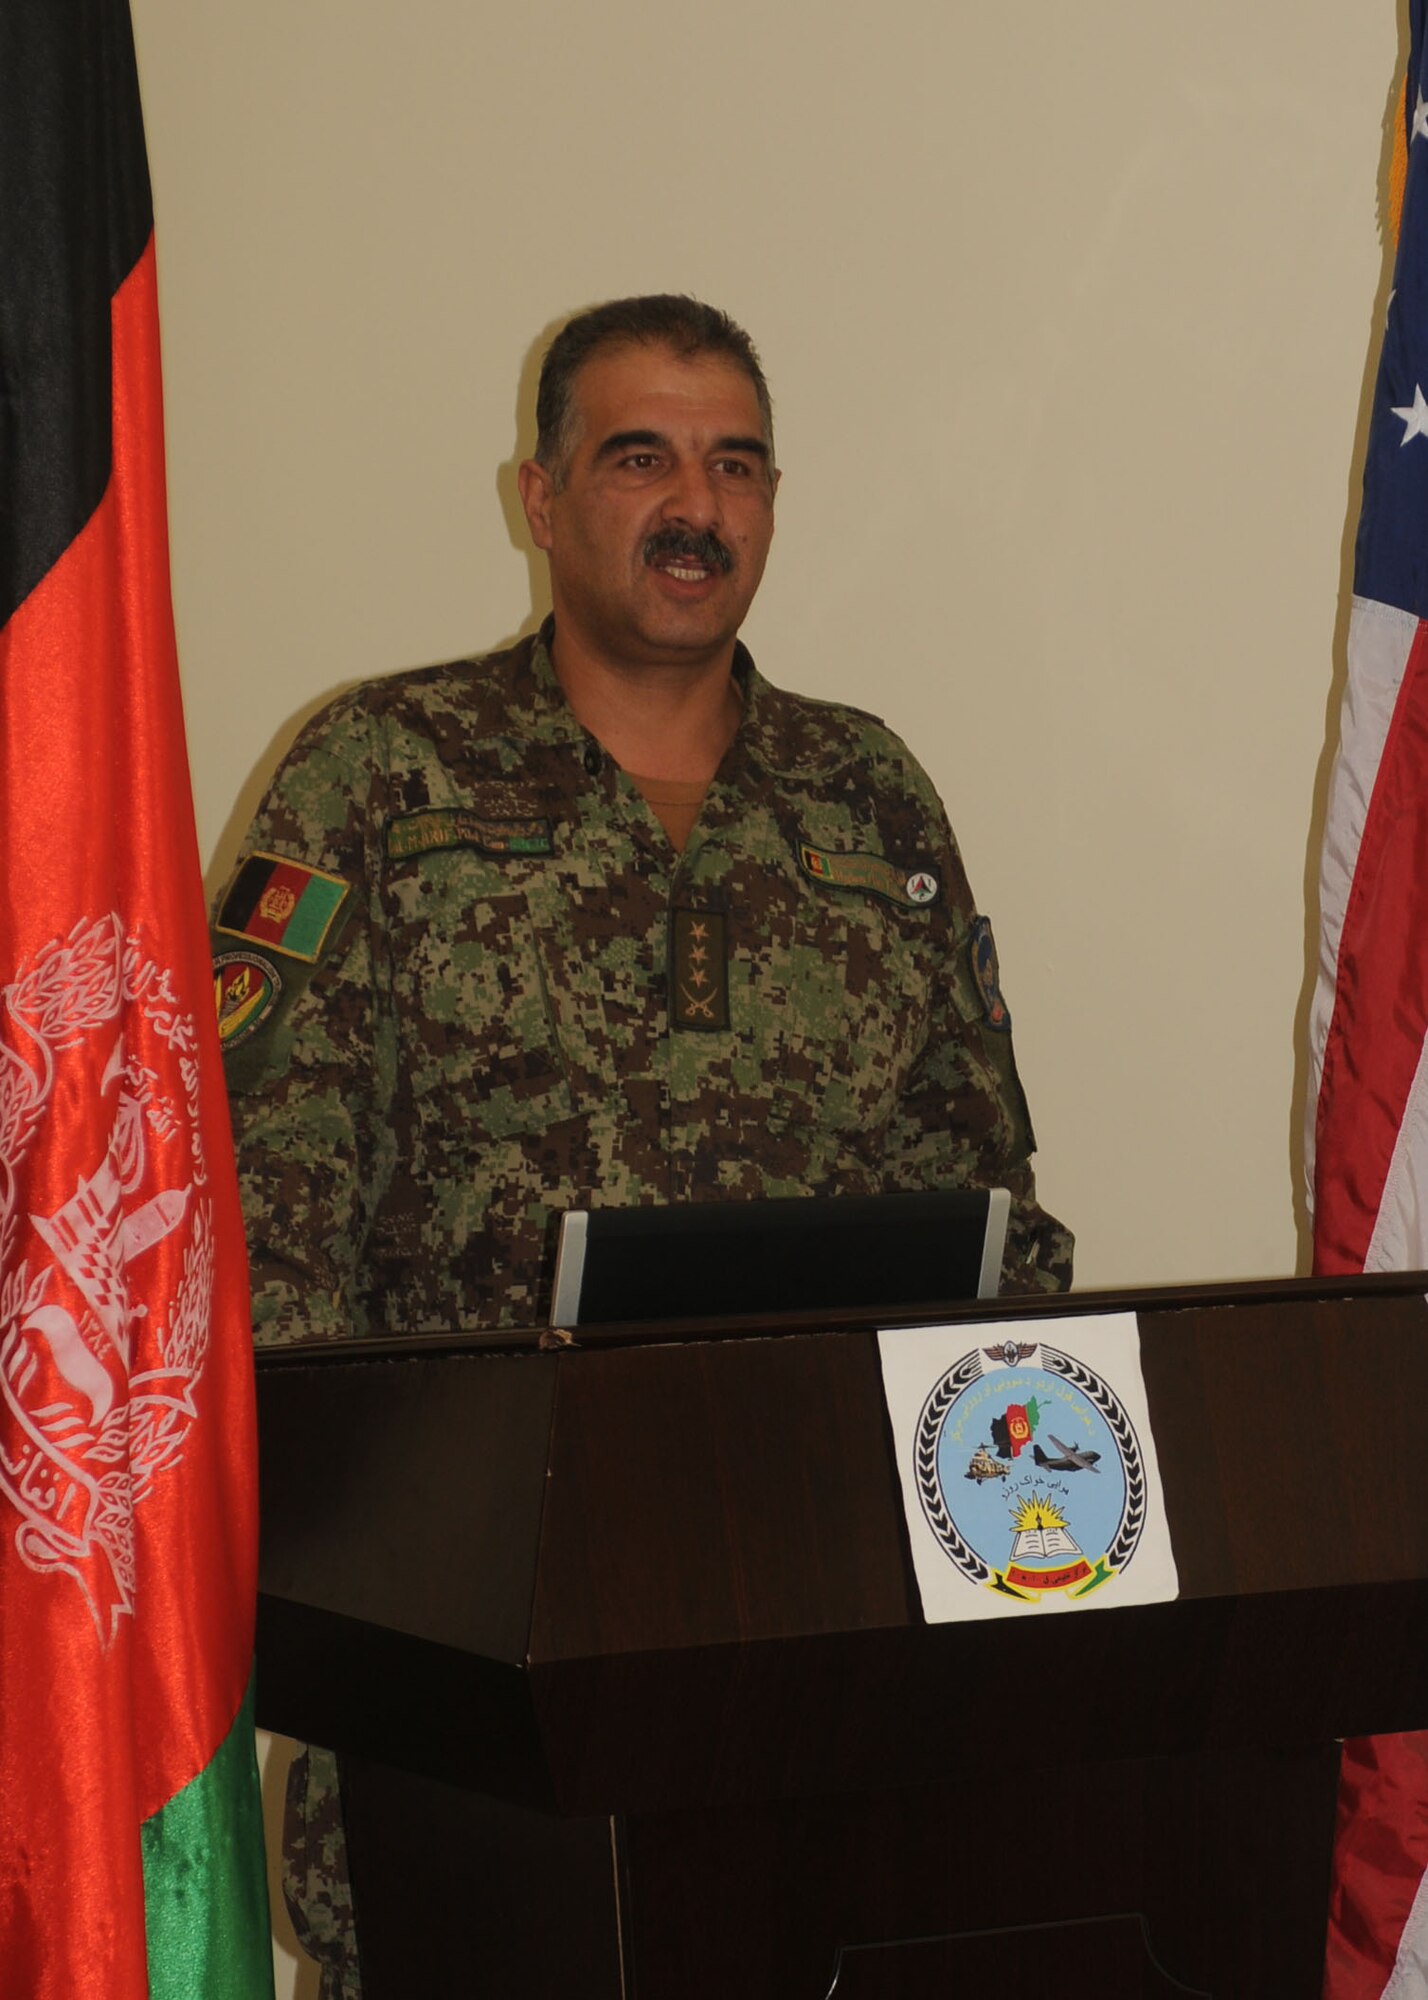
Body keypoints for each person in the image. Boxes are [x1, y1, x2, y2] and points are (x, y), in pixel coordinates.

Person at [214, 295, 1071, 1997]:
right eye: (641, 457)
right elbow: (264, 1218)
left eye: (736, 463)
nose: (698, 505)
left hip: (825, 1639)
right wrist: (337, 1593)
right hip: (474, 1642)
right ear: (540, 497)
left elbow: (995, 1219)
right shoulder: (382, 777)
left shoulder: (869, 793)